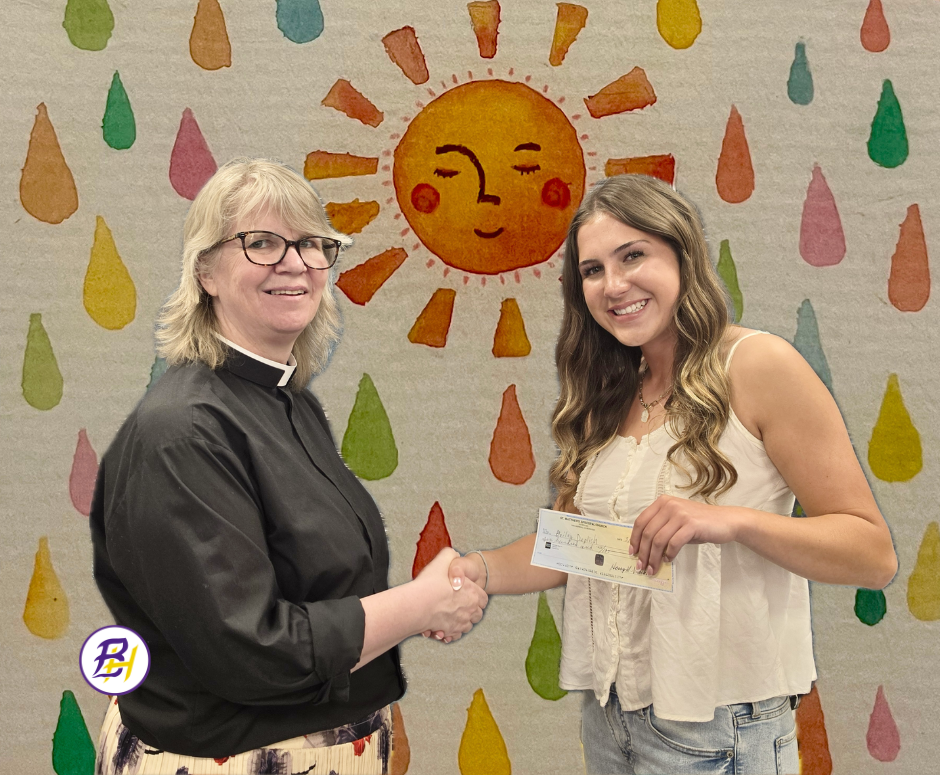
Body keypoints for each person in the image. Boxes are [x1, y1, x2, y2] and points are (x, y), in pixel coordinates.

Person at [441, 175, 897, 774]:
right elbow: (580, 547)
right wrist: (476, 570)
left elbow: (872, 555)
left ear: (683, 255)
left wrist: (729, 522)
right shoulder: (610, 392)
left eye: (633, 256)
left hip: (721, 727)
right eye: (593, 270)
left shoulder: (759, 365)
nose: (613, 284)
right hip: (611, 717)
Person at [89, 158, 487, 775]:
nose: (296, 263)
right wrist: (418, 606)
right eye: (262, 242)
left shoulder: (291, 401)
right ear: (205, 272)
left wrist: (426, 604)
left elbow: (322, 591)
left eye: (311, 244)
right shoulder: (182, 430)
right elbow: (251, 650)